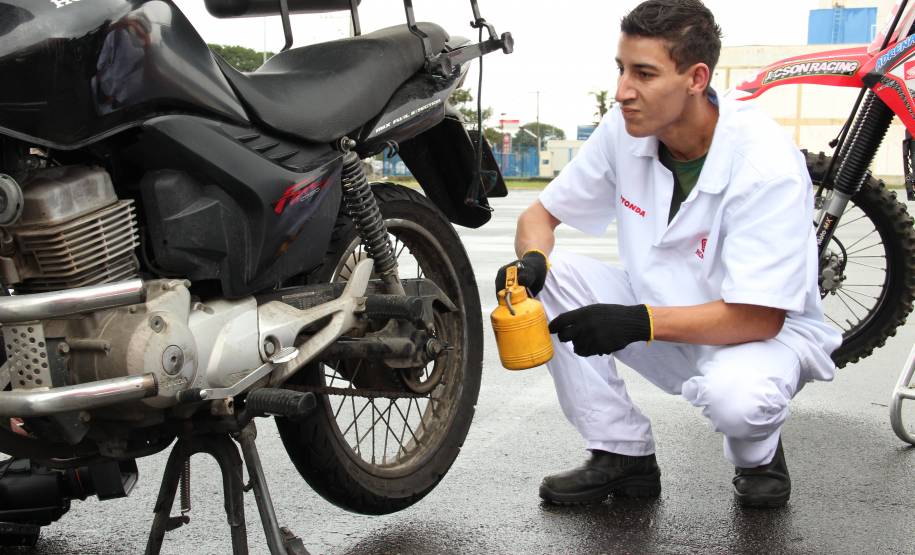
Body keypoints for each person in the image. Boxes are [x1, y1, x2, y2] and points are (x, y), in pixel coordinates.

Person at [496, 0, 841, 508]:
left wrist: (637, 323)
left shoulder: (763, 162)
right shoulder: (624, 130)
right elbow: (540, 217)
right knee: (557, 278)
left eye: (644, 73)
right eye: (620, 69)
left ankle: (759, 456)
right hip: (661, 309)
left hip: (759, 334)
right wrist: (531, 261)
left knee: (738, 401)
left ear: (696, 78)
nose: (622, 92)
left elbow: (761, 316)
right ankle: (622, 454)